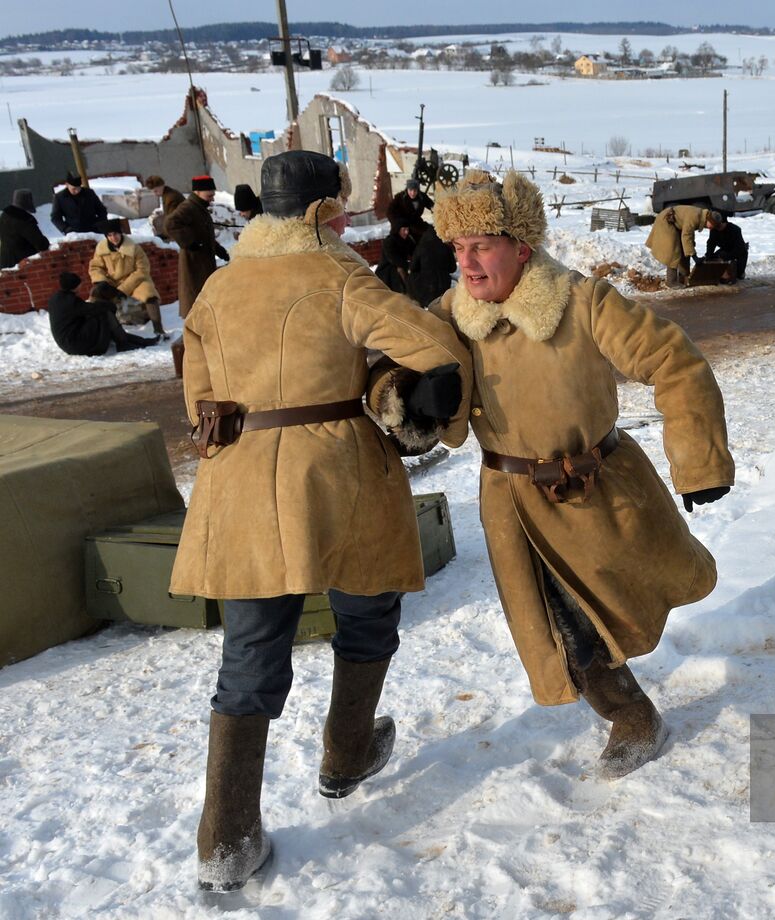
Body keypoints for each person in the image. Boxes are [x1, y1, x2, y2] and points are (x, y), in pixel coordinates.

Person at [169, 150, 475, 893]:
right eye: (335, 207)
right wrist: (395, 388)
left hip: (239, 480)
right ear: (318, 211)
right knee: (367, 612)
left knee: (249, 652)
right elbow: (434, 350)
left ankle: (225, 840)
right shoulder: (340, 275)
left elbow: (197, 395)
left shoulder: (220, 286)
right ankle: (346, 753)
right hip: (337, 476)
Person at [370, 170, 733, 780]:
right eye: (458, 248)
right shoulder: (450, 317)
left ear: (521, 247)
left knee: (612, 609)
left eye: (481, 246)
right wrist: (408, 399)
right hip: (511, 504)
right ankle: (632, 716)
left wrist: (699, 460)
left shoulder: (584, 302)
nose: (467, 263)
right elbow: (386, 372)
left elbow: (675, 360)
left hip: (598, 494)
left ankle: (631, 711)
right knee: (563, 629)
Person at [46, 271, 158, 355]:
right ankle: (124, 343)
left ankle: (138, 341)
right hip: (75, 342)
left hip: (68, 341)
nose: (81, 286)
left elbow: (84, 310)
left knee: (101, 311)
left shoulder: (57, 298)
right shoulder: (70, 301)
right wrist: (109, 306)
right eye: (79, 284)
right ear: (74, 286)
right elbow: (91, 309)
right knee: (103, 313)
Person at [89, 218, 167, 338]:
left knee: (150, 294)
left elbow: (143, 269)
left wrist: (124, 288)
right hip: (112, 282)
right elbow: (95, 267)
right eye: (109, 235)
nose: (113, 238)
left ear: (120, 233)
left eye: (115, 234)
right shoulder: (101, 249)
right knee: (96, 293)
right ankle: (101, 331)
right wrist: (101, 281)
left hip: (134, 280)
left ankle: (158, 329)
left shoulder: (133, 247)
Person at [165, 175, 228, 318]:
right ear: (197, 192)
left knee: (205, 297)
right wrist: (190, 242)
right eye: (209, 195)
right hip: (194, 263)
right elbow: (170, 223)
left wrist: (218, 250)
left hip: (202, 261)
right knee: (196, 299)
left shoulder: (199, 207)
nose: (212, 199)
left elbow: (202, 234)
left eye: (213, 195)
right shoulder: (188, 207)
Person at [645, 203, 712, 287]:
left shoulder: (700, 216)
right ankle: (671, 281)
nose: (712, 228)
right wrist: (694, 256)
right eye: (712, 225)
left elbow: (689, 234)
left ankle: (683, 277)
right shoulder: (695, 217)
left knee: (685, 249)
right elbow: (686, 236)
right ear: (709, 220)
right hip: (667, 220)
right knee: (673, 251)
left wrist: (691, 249)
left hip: (675, 224)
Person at [408, 225, 456, 308]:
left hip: (426, 286)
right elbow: (453, 268)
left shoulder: (421, 247)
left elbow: (413, 267)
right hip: (443, 284)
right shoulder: (445, 247)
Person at [0, 189, 49, 269]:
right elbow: (40, 243)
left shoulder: (4, 215)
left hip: (5, 260)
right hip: (23, 263)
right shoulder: (24, 219)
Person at [702, 210, 748, 281]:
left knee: (738, 275)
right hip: (725, 249)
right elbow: (711, 243)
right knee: (713, 259)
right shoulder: (714, 230)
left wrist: (726, 257)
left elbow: (739, 249)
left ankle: (740, 273)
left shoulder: (735, 230)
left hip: (739, 251)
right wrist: (708, 255)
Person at [374, 223, 415, 294]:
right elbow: (393, 259)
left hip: (402, 266)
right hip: (387, 270)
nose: (406, 232)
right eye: (404, 230)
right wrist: (409, 265)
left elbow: (414, 252)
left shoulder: (408, 240)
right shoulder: (389, 241)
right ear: (398, 230)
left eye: (407, 229)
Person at [145, 175, 185, 241]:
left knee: (157, 222)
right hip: (180, 223)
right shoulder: (167, 193)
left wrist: (165, 236)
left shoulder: (170, 198)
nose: (155, 194)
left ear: (162, 185)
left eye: (156, 191)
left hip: (183, 228)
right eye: (153, 192)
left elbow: (172, 220)